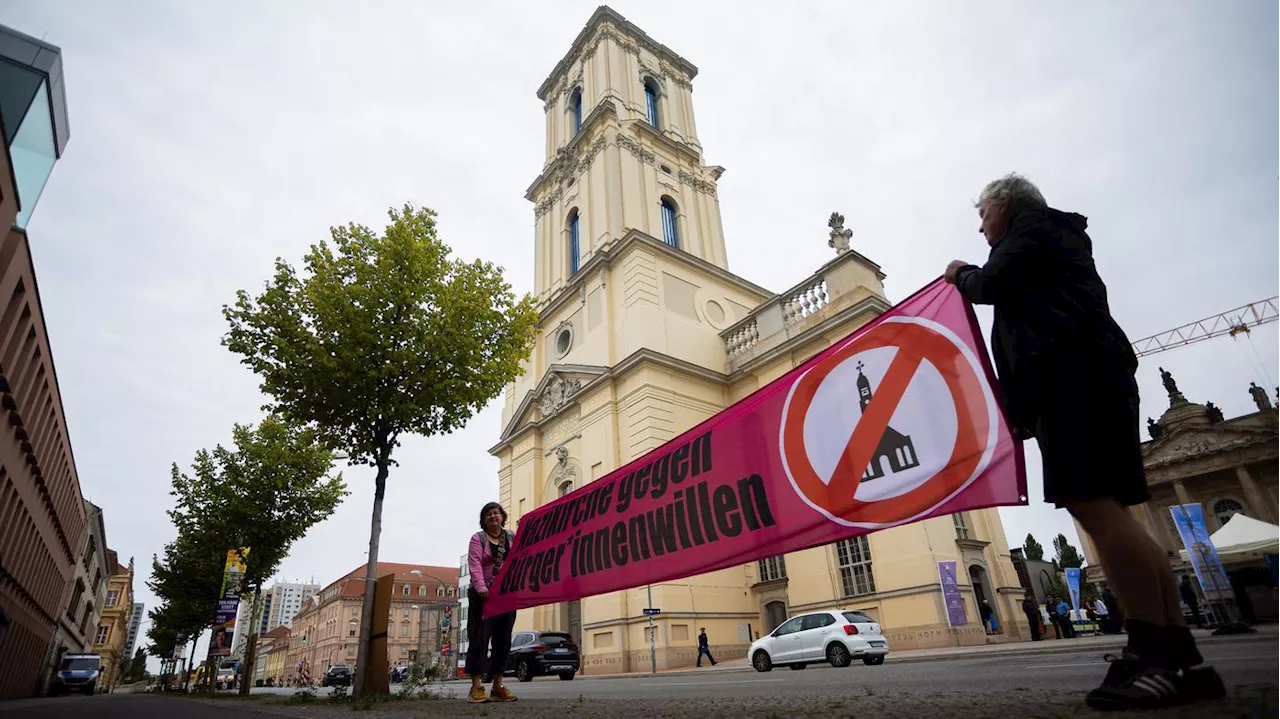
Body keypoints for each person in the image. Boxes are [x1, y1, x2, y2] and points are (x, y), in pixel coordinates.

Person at [946, 173, 1224, 710]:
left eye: (983, 216)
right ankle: (1179, 656)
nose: (981, 228)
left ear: (1005, 207)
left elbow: (992, 286)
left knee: (1095, 508)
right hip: (1088, 379)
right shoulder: (1051, 238)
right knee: (1112, 512)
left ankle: (1155, 657)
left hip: (1073, 382)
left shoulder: (1034, 232)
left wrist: (960, 274)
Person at [465, 502, 518, 703]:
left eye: (496, 512)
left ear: (502, 516)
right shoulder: (477, 539)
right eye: (488, 514)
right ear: (483, 520)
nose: (493, 516)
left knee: (502, 641)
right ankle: (476, 686)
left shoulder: (512, 537)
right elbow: (475, 564)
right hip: (483, 597)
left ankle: (498, 686)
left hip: (506, 596)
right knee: (479, 639)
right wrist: (482, 589)